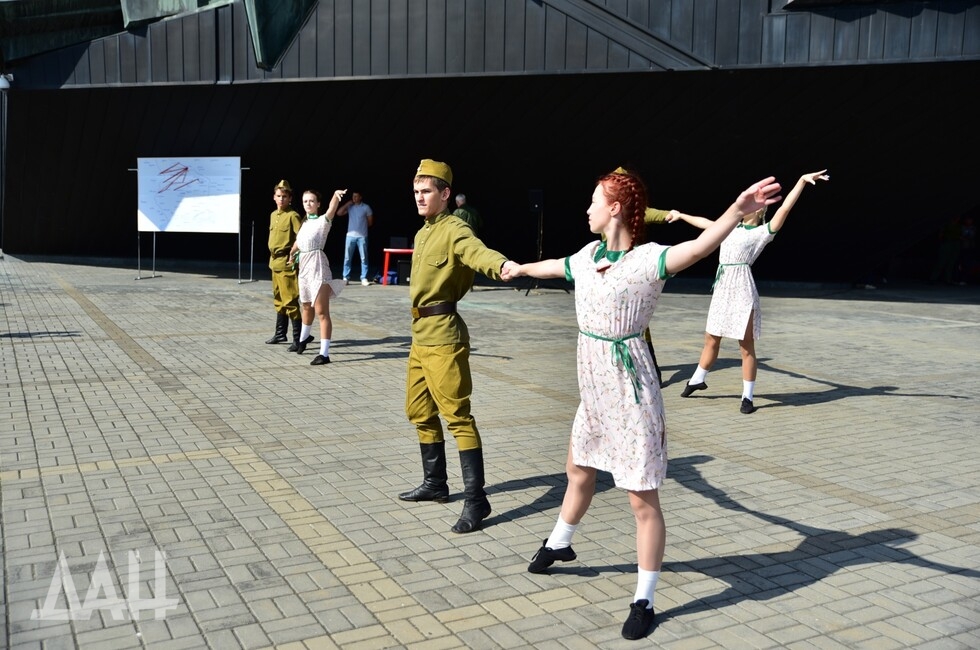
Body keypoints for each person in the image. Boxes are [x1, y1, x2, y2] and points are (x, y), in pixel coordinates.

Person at [501, 168, 783, 641]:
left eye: (594, 201)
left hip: (629, 392)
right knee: (579, 469)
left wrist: (737, 210)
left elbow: (699, 247)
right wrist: (522, 268)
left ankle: (644, 598)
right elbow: (557, 266)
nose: (586, 210)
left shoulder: (649, 260)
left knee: (640, 499)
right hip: (592, 390)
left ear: (614, 208)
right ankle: (560, 543)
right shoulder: (589, 254)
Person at [397, 159, 519, 535]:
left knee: (458, 417)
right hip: (420, 335)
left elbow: (477, 252)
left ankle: (476, 500)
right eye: (416, 192)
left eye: (427, 191)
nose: (420, 197)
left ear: (445, 194)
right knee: (418, 410)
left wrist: (503, 266)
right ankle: (435, 484)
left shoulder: (454, 229)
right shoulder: (422, 234)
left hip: (444, 336)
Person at [674, 170, 829, 414]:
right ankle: (697, 379)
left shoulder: (762, 233)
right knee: (711, 338)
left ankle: (748, 397)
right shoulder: (729, 228)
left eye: (757, 204)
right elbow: (704, 223)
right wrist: (680, 215)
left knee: (745, 346)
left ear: (760, 210)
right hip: (722, 287)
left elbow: (784, 210)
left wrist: (800, 181)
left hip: (742, 289)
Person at [288, 189, 348, 365]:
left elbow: (331, 210)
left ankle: (325, 354)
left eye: (312, 201)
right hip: (304, 267)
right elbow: (299, 242)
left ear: (318, 204)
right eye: (305, 201)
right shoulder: (305, 223)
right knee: (306, 305)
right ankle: (303, 339)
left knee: (321, 311)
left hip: (318, 267)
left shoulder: (323, 221)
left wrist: (335, 196)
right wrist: (292, 254)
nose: (308, 204)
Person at [266, 180, 303, 348]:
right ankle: (280, 334)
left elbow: (302, 239)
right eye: (278, 196)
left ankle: (298, 339)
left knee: (290, 300)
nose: (281, 199)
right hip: (274, 262)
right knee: (279, 299)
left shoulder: (292, 216)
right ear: (274, 197)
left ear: (290, 198)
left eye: (284, 197)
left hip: (286, 262)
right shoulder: (274, 215)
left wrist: (295, 259)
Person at [337, 191, 374, 286]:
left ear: (360, 197)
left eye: (356, 196)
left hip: (362, 236)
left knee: (364, 257)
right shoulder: (350, 207)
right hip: (350, 236)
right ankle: (345, 277)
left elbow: (370, 222)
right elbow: (339, 213)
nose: (354, 198)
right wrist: (346, 204)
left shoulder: (366, 207)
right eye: (353, 196)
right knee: (347, 257)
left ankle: (364, 277)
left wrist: (362, 226)